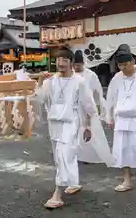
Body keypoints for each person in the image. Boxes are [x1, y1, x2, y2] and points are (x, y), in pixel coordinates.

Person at [32, 46, 101, 209]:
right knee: (60, 156)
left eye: (64, 60)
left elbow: (89, 105)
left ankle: (57, 194)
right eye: (58, 60)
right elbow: (38, 100)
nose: (60, 63)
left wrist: (88, 126)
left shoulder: (79, 81)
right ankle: (73, 182)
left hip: (71, 123)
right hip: (54, 124)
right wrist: (40, 81)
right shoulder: (50, 81)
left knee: (65, 154)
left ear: (71, 63)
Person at [106, 44, 136, 192]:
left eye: (125, 64)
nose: (123, 68)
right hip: (121, 119)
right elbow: (110, 99)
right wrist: (110, 118)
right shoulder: (116, 78)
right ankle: (127, 181)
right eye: (120, 65)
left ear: (132, 62)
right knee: (122, 151)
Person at [73, 50, 110, 164]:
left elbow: (97, 92)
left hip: (88, 105)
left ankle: (88, 155)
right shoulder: (71, 74)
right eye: (74, 65)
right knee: (74, 130)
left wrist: (97, 108)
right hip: (74, 106)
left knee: (88, 130)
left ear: (83, 63)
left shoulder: (90, 75)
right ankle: (76, 153)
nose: (76, 67)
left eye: (78, 65)